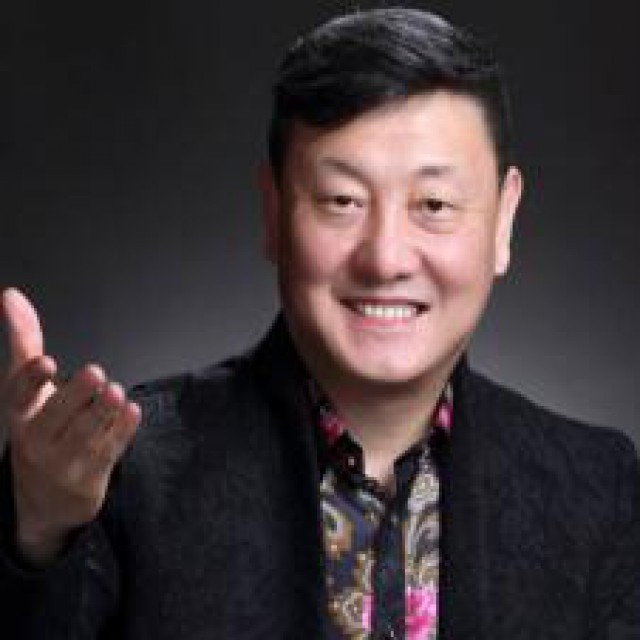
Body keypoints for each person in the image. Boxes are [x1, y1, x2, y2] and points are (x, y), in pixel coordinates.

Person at [0, 7, 638, 640]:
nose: (385, 258)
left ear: (503, 220)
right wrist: (38, 534)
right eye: (342, 201)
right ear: (274, 211)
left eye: (434, 204)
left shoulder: (595, 490)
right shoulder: (127, 470)